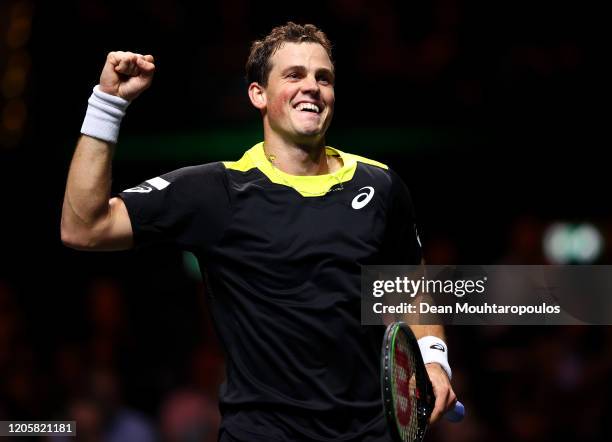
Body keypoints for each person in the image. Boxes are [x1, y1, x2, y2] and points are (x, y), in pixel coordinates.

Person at [61, 22, 457, 442]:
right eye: (294, 75)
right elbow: (84, 226)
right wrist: (107, 104)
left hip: (371, 434)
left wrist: (434, 359)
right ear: (258, 95)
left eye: (323, 77)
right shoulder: (216, 192)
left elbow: (410, 282)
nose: (312, 87)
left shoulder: (381, 187)